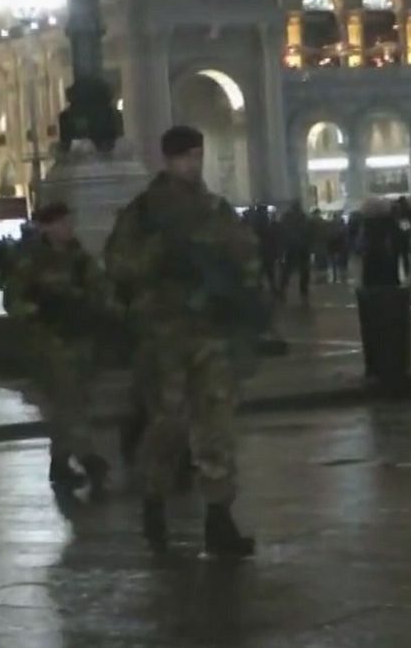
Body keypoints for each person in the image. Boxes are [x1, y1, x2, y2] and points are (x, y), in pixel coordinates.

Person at [105, 125, 264, 557]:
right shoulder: (144, 213)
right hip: (165, 334)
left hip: (211, 332)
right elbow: (119, 266)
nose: (192, 164)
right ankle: (153, 498)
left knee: (217, 424)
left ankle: (219, 517)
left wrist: (239, 292)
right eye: (184, 157)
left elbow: (247, 254)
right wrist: (161, 256)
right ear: (168, 159)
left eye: (197, 155)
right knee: (169, 423)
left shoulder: (215, 209)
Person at [5, 202, 114, 491]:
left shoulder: (79, 258)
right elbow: (12, 300)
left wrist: (92, 306)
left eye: (69, 222)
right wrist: (38, 311)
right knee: (70, 401)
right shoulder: (31, 260)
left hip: (81, 338)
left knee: (76, 400)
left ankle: (60, 462)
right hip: (49, 342)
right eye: (62, 223)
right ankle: (89, 458)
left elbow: (100, 290)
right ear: (46, 227)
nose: (68, 228)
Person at [278, 200, 312, 303]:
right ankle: (303, 292)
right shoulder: (303, 216)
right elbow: (307, 231)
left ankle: (283, 289)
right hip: (301, 246)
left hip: (290, 246)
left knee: (287, 270)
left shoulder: (286, 217)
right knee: (304, 270)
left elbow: (282, 231)